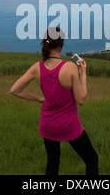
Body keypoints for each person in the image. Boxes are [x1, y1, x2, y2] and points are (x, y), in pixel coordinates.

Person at [10, 26, 99, 175]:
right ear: (62, 44)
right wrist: (83, 73)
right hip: (69, 125)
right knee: (92, 159)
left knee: (53, 161)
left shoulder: (37, 67)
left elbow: (14, 90)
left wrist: (39, 99)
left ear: (46, 43)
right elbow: (81, 99)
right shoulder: (70, 67)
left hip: (47, 124)